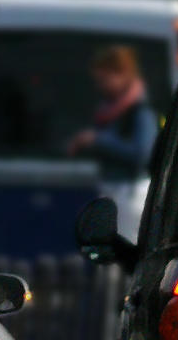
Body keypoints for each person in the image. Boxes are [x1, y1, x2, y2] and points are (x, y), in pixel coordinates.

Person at [66, 45, 157, 242]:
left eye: (105, 79)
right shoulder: (111, 111)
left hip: (130, 193)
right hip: (112, 190)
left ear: (123, 74)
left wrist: (98, 140)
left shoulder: (139, 112)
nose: (100, 86)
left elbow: (142, 154)